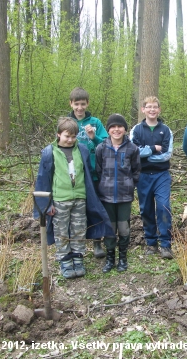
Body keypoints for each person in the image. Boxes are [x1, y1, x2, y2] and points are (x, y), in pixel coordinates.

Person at [33, 117, 114, 279]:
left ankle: (78, 257)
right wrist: (46, 205)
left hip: (80, 198)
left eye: (73, 136)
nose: (70, 140)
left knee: (78, 229)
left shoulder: (82, 150)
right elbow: (43, 179)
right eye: (66, 136)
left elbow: (88, 174)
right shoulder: (50, 152)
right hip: (60, 200)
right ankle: (65, 260)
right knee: (61, 231)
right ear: (58, 135)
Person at [95, 114, 141, 273]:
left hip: (124, 196)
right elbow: (99, 170)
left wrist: (129, 185)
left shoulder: (132, 149)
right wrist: (103, 186)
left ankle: (122, 257)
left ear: (125, 129)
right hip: (106, 196)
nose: (116, 130)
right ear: (108, 130)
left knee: (123, 228)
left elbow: (136, 171)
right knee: (109, 228)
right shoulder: (101, 148)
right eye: (113, 127)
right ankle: (110, 258)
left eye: (119, 126)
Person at [130, 96, 174, 259]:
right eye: (148, 107)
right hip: (142, 176)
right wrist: (152, 149)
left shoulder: (166, 130)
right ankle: (151, 242)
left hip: (161, 175)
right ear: (143, 110)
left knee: (163, 207)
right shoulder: (136, 130)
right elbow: (134, 152)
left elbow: (166, 155)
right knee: (146, 209)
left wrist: (145, 154)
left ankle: (165, 244)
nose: (152, 110)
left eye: (155, 107)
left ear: (159, 109)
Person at [68, 87, 109, 258]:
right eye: (76, 104)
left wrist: (93, 137)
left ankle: (97, 242)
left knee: (95, 207)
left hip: (94, 172)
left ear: (87, 104)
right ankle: (75, 244)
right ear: (71, 104)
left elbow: (106, 144)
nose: (79, 108)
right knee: (76, 209)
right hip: (74, 174)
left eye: (82, 104)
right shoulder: (67, 123)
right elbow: (59, 145)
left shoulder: (96, 123)